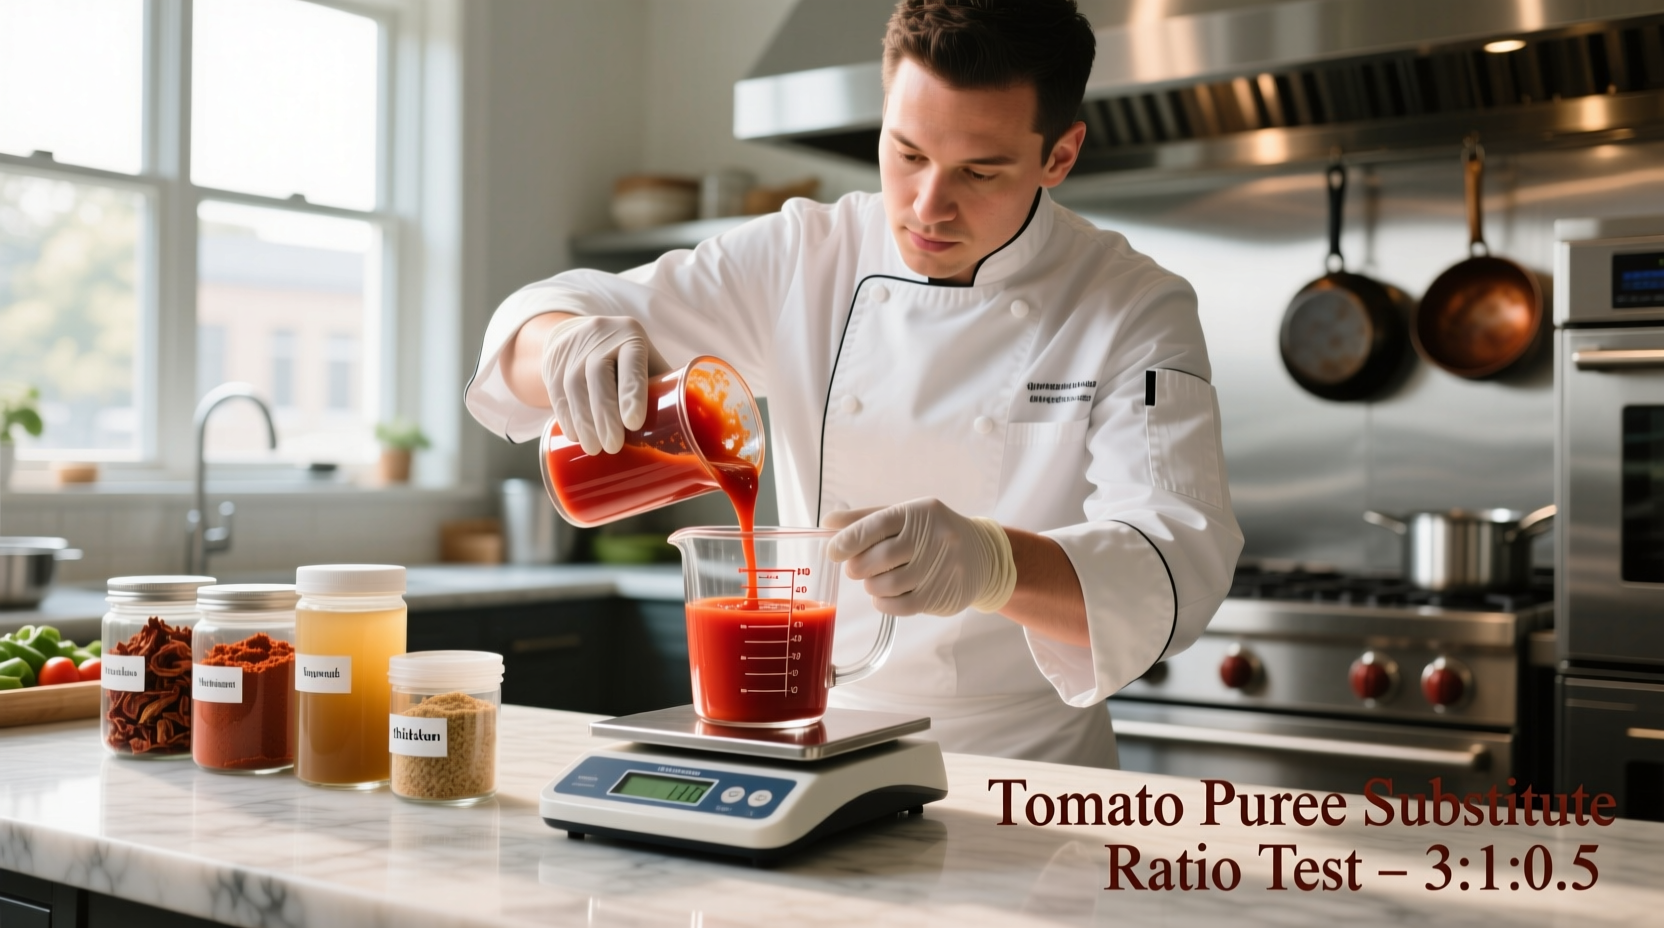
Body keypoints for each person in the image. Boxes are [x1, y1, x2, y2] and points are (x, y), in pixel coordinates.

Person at [465, 0, 1241, 768]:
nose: (929, 206)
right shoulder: (808, 253)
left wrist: (994, 562)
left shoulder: (1133, 305)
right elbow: (538, 321)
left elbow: (1174, 562)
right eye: (906, 153)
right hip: (817, 739)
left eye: (979, 170)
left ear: (1059, 157)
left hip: (1022, 767)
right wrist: (566, 340)